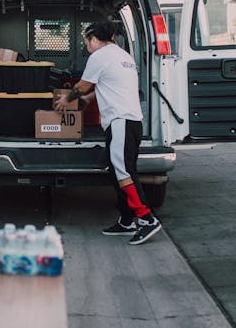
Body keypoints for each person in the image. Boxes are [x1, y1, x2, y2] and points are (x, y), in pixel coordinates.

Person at [55, 21, 161, 246]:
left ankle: (146, 218)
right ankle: (126, 220)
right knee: (117, 171)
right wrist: (87, 99)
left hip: (120, 121)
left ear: (94, 38)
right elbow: (110, 87)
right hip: (131, 122)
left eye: (86, 42)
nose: (86, 47)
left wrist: (67, 99)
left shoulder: (99, 56)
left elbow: (83, 85)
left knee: (123, 172)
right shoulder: (123, 57)